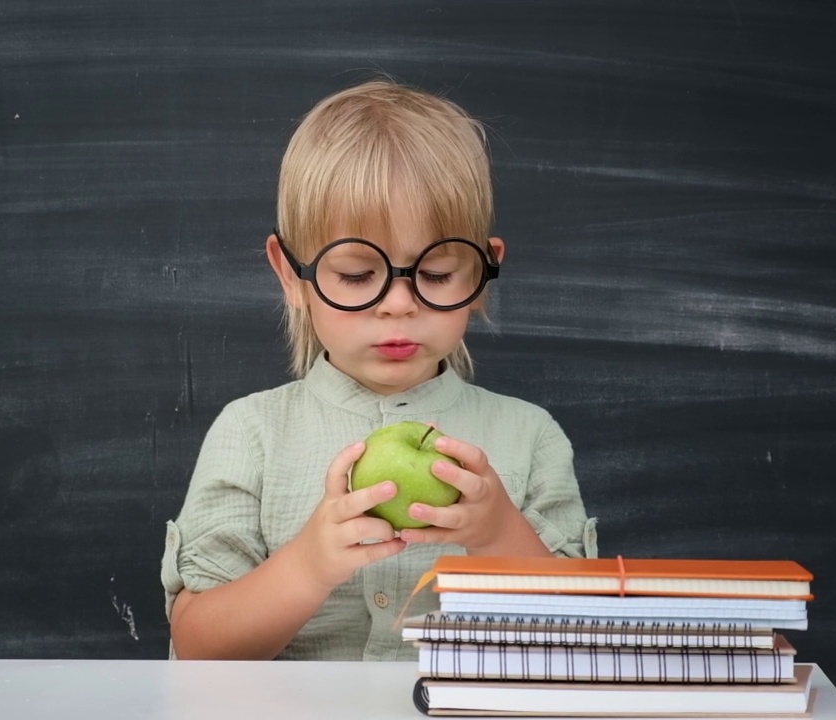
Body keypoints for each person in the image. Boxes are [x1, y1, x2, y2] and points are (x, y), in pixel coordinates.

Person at [160, 77, 597, 661]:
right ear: (292, 276)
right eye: (357, 275)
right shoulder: (252, 433)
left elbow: (580, 641)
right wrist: (308, 565)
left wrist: (498, 534)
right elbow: (198, 646)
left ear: (484, 271)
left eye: (437, 274)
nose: (398, 303)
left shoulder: (530, 437)